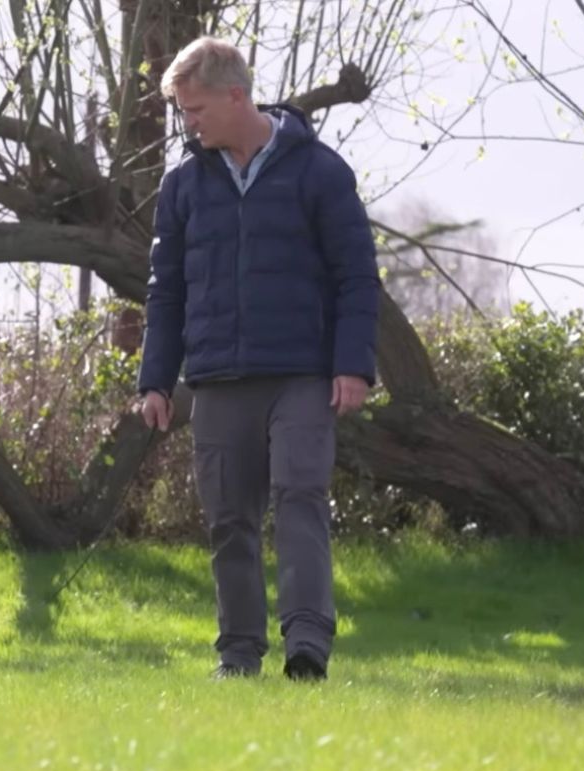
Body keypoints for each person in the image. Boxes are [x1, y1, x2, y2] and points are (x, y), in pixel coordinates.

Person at [136, 36, 380, 682]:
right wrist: (155, 380)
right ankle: (237, 654)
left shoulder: (320, 172)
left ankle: (307, 647)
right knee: (229, 521)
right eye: (183, 113)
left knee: (300, 496)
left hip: (303, 373)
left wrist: (352, 364)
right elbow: (166, 291)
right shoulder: (183, 186)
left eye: (196, 110)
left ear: (236, 95)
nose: (189, 123)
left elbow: (356, 275)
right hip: (216, 379)